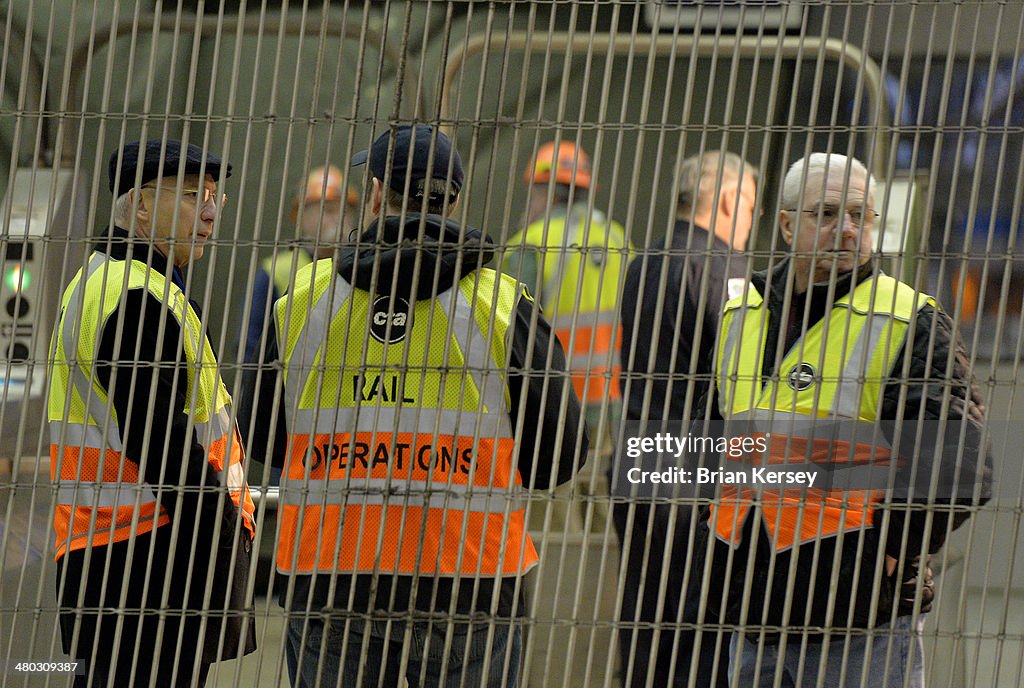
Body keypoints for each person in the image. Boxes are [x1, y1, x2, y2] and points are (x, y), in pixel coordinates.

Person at [253, 124, 586, 687]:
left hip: (333, 574)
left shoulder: (304, 303)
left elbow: (260, 435)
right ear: (454, 202)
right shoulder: (501, 307)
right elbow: (561, 453)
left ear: (377, 194)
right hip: (470, 580)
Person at [687, 152, 993, 687]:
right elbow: (710, 437)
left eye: (861, 215)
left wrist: (891, 548)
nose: (847, 230)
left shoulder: (910, 321)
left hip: (857, 618)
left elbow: (962, 463)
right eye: (827, 214)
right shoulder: (742, 313)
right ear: (785, 225)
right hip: (750, 608)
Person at [47, 139, 258, 687]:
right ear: (140, 206)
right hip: (152, 567)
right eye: (192, 195)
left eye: (216, 195)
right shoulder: (140, 300)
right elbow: (165, 450)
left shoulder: (106, 278)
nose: (211, 210)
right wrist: (224, 534)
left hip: (115, 555)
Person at [613, 150, 758, 687]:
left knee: (644, 620)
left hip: (637, 462)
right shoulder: (730, 275)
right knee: (698, 631)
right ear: (727, 200)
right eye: (751, 208)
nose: (749, 224)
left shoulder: (643, 263)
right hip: (694, 474)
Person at [504, 140, 631, 454]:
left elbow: (512, 333)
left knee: (557, 499)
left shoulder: (530, 243)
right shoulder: (617, 236)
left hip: (557, 405)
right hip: (616, 401)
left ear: (545, 191)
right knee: (603, 495)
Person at [237, 164, 360, 482]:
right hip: (293, 419)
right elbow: (253, 348)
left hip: (352, 418)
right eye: (319, 210)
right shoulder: (277, 270)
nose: (330, 219)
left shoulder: (368, 269)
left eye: (336, 210)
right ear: (300, 217)